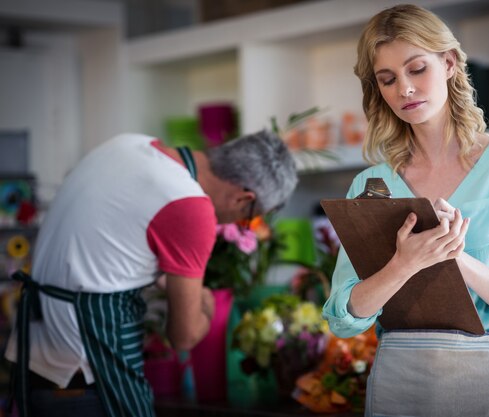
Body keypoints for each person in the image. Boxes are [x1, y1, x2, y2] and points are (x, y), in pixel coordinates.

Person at [322, 4, 489, 416]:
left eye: (417, 69)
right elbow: (344, 316)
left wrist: (456, 256)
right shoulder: (369, 185)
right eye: (387, 79)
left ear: (448, 63)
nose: (404, 90)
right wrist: (402, 265)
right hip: (401, 380)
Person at [5, 129, 298, 417]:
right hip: (89, 378)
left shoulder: (128, 144)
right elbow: (183, 336)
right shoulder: (191, 207)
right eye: (250, 219)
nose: (240, 225)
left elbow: (107, 254)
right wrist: (205, 306)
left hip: (35, 363)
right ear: (242, 200)